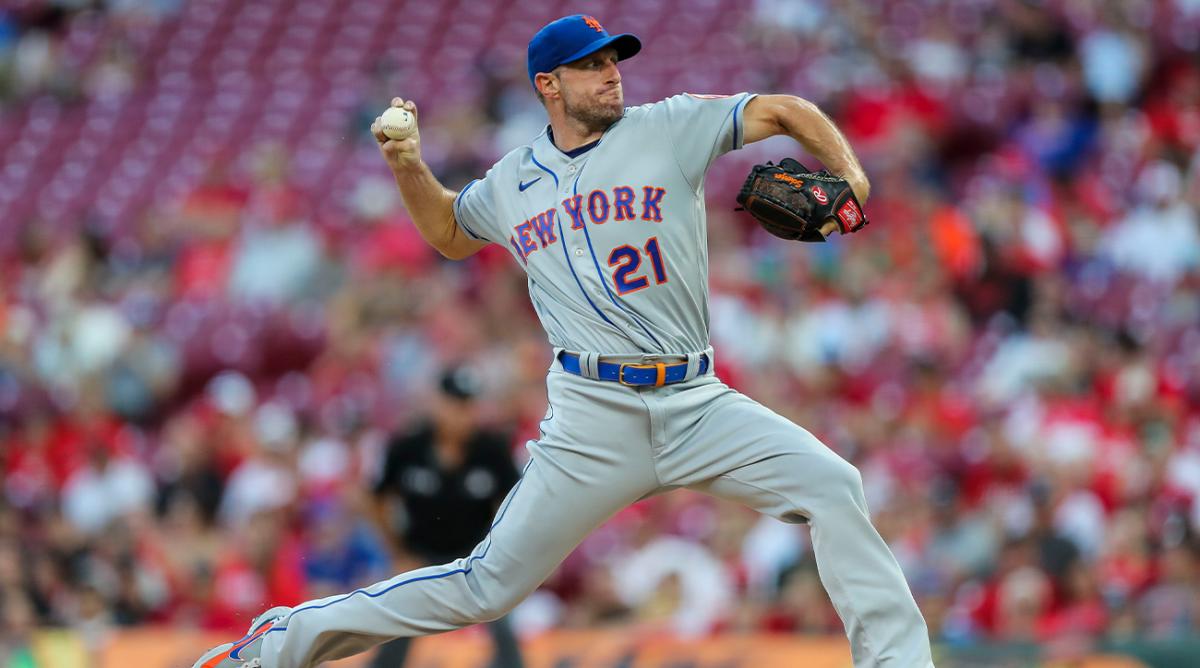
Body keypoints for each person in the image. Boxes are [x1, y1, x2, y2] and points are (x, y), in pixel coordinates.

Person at [194, 14, 934, 668]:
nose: (611, 74)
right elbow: (450, 231)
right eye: (592, 65)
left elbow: (784, 108)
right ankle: (272, 649)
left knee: (834, 485)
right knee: (484, 585)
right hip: (593, 415)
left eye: (613, 60)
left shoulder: (668, 126)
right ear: (550, 84)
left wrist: (852, 179)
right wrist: (407, 166)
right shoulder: (513, 180)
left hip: (696, 400)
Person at [367, 367, 523, 668]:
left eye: (468, 405)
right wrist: (396, 550)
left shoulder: (492, 450)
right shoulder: (408, 447)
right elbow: (376, 498)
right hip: (419, 554)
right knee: (394, 626)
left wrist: (501, 554)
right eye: (455, 404)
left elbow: (515, 506)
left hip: (476, 557)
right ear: (438, 403)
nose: (462, 414)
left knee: (503, 622)